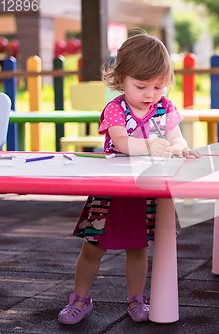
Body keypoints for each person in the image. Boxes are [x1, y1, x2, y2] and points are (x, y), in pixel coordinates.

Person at [58, 31, 201, 325]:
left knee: (138, 249)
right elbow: (122, 143)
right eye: (141, 86)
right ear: (121, 79)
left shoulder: (164, 108)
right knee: (93, 248)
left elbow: (176, 137)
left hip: (146, 192)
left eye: (158, 86)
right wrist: (149, 145)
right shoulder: (116, 110)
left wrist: (181, 148)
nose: (150, 94)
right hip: (112, 192)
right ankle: (80, 299)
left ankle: (137, 299)